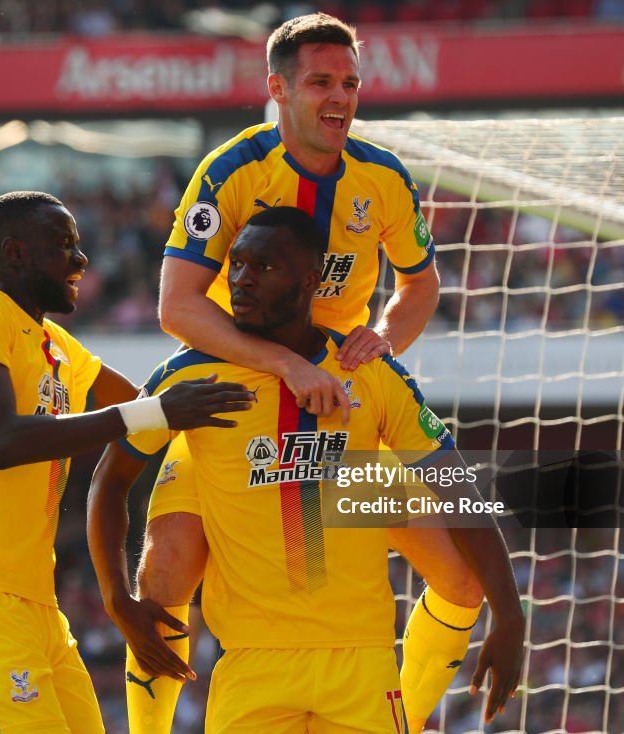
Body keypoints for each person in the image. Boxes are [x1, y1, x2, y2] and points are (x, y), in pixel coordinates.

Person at [112, 12, 517, 733]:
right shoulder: (232, 171)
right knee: (166, 568)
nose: (340, 97)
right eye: (321, 81)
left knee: (460, 575)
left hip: (338, 408)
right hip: (232, 398)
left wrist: (381, 341)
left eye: (351, 82)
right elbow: (177, 306)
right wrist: (286, 364)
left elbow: (420, 285)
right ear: (277, 88)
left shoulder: (381, 177)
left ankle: (401, 717)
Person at [88, 207, 524, 733]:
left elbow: (454, 481)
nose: (242, 279)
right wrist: (116, 596)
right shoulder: (191, 373)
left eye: (265, 267)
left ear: (310, 280)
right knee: (165, 569)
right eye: (239, 264)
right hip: (253, 665)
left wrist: (510, 614)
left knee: (456, 573)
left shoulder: (368, 372)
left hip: (360, 664)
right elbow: (110, 478)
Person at [0, 191, 253, 733]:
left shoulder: (60, 346)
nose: (81, 258)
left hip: (39, 606)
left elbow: (143, 410)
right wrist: (152, 410)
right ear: (16, 252)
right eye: (64, 244)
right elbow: (4, 440)